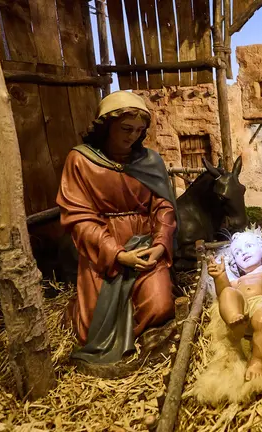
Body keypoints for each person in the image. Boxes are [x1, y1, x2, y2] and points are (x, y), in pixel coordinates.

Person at [57, 91, 177, 363]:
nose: (132, 136)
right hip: (104, 251)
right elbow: (79, 217)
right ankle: (80, 309)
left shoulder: (150, 162)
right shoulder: (81, 161)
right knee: (92, 332)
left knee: (160, 307)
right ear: (106, 125)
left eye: (138, 130)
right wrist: (117, 254)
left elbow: (164, 207)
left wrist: (159, 245)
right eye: (125, 129)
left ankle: (134, 333)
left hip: (145, 245)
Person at [207, 230, 262, 380]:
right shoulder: (237, 281)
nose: (244, 252)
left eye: (249, 246)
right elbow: (222, 294)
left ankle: (257, 361)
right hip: (240, 309)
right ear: (234, 261)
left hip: (260, 304)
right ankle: (235, 321)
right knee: (228, 292)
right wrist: (220, 277)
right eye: (238, 252)